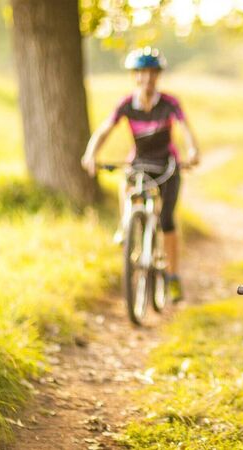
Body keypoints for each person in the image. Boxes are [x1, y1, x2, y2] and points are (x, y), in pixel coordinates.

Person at [81, 47, 200, 303]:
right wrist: (91, 154)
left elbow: (185, 128)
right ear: (134, 75)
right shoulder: (126, 104)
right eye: (141, 73)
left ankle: (173, 277)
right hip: (141, 162)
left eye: (152, 73)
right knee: (127, 178)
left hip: (167, 165)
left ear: (158, 76)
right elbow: (104, 130)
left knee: (167, 220)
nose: (147, 78)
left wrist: (192, 151)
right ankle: (126, 225)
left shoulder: (169, 103)